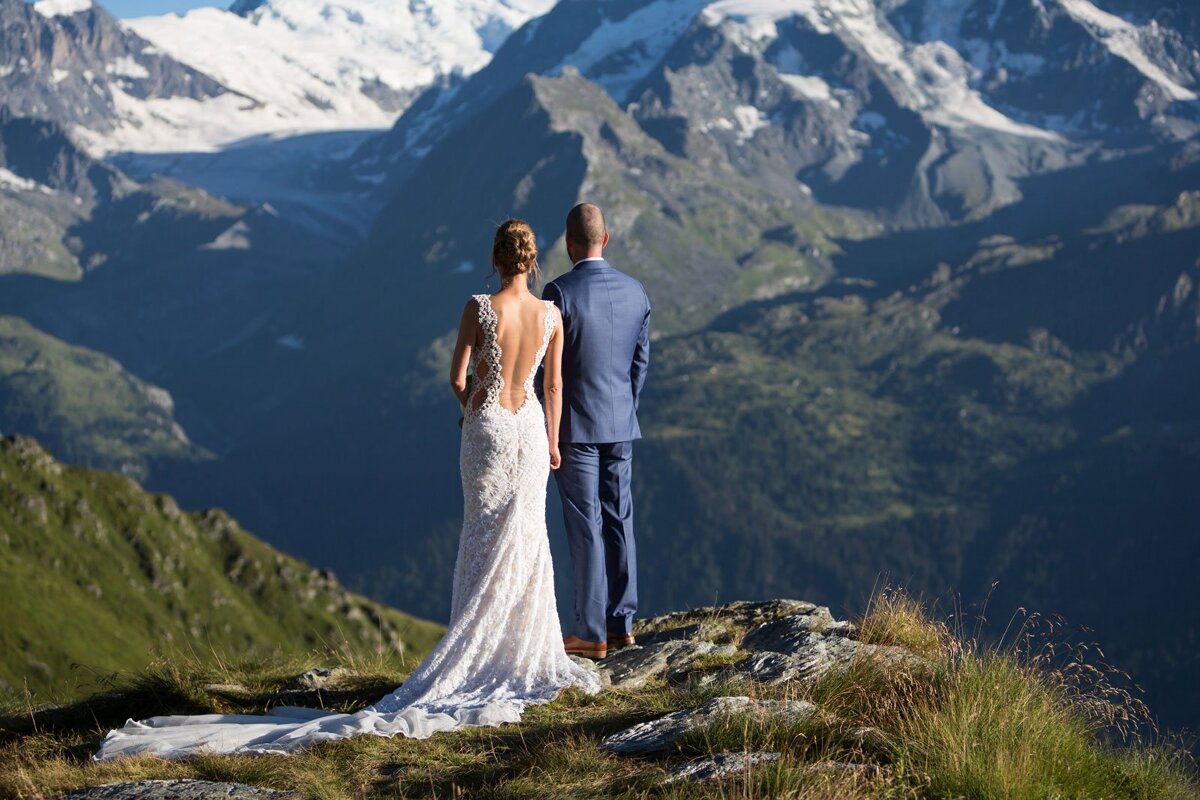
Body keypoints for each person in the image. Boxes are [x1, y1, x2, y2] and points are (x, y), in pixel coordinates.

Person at [93, 219, 600, 761]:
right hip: (529, 429)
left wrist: (474, 414)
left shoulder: (479, 307)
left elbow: (457, 379)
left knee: (482, 534)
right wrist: (551, 444)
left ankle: (474, 648)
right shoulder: (550, 314)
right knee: (525, 536)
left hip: (490, 430)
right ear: (532, 262)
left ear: (497, 259)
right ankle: (516, 652)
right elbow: (554, 385)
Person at [541, 203, 651, 661]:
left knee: (585, 524)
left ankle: (590, 631)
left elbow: (547, 371)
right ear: (605, 240)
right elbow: (639, 364)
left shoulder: (558, 293)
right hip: (620, 422)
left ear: (569, 244)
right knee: (619, 517)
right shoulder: (636, 291)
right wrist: (626, 407)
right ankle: (621, 623)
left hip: (574, 427)